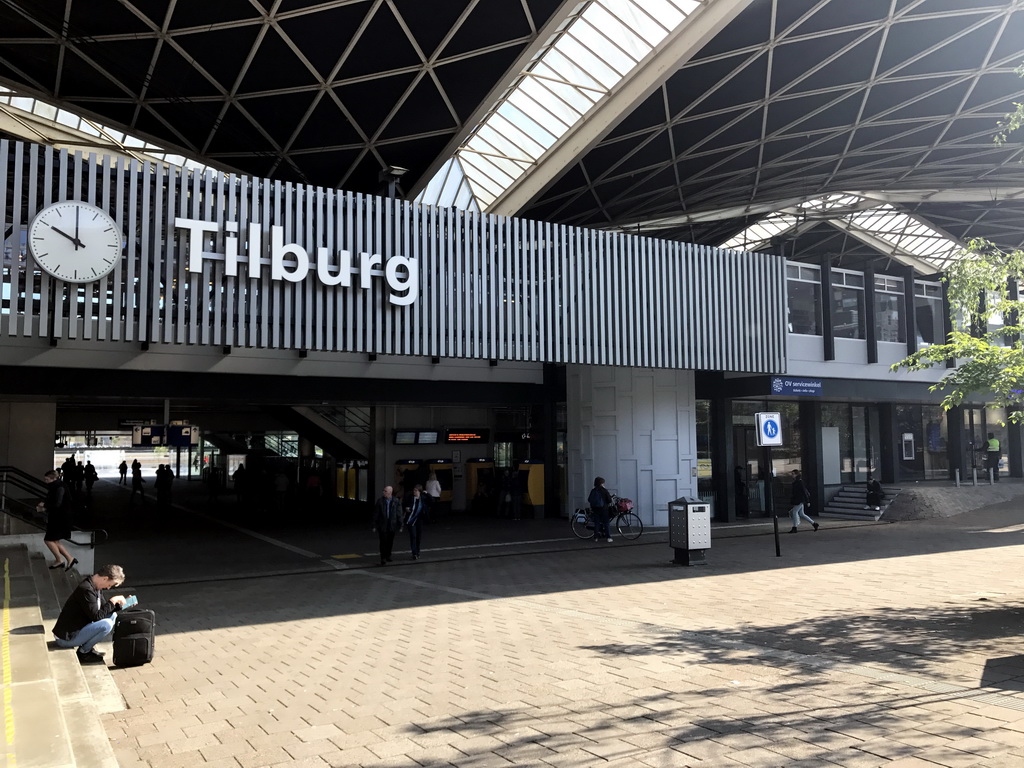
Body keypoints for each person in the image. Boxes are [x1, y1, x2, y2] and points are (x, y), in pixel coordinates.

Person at [52, 564, 131, 664]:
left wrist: (121, 605)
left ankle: (87, 649)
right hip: (66, 638)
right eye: (110, 584)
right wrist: (112, 600)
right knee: (106, 625)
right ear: (105, 578)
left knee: (112, 616)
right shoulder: (86, 589)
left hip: (78, 629)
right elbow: (97, 616)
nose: (108, 588)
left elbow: (103, 610)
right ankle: (83, 653)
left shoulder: (95, 587)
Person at [38, 470, 77, 571]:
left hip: (59, 518)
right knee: (55, 540)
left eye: (47, 479)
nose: (46, 481)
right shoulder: (59, 486)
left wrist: (44, 506)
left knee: (48, 540)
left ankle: (60, 560)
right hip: (61, 517)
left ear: (53, 478)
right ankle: (69, 558)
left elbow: (57, 504)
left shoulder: (59, 487)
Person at [372, 485, 403, 566]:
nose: (383, 492)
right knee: (383, 542)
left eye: (385, 491)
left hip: (391, 524)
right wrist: (374, 525)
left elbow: (399, 513)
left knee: (390, 541)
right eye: (384, 490)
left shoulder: (396, 501)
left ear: (390, 493)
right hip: (383, 524)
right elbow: (376, 514)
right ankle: (383, 557)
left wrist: (401, 524)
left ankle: (388, 555)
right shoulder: (380, 501)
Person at [404, 485, 428, 560]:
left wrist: (427, 493)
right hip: (411, 520)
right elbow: (404, 504)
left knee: (418, 537)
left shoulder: (422, 498)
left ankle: (417, 551)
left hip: (419, 520)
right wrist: (406, 508)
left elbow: (432, 500)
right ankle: (414, 553)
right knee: (413, 536)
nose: (414, 492)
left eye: (416, 490)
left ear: (419, 491)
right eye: (414, 490)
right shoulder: (411, 498)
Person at [588, 476, 613, 543]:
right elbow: (609, 500)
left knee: (597, 523)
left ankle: (596, 537)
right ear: (601, 483)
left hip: (595, 509)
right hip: (604, 509)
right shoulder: (604, 490)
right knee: (606, 523)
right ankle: (608, 537)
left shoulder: (593, 490)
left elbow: (589, 499)